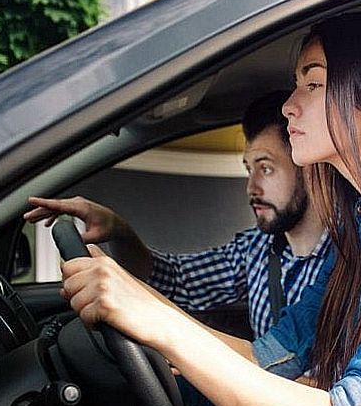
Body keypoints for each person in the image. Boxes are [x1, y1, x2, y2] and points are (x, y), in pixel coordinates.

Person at [56, 12, 361, 406]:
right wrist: (138, 304)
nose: (290, 106)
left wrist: (159, 324)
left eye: (312, 84)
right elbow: (269, 355)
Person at [24, 90, 331, 340]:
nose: (251, 187)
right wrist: (119, 230)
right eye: (248, 170)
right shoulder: (257, 249)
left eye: (266, 168)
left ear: (309, 169)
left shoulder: (350, 259)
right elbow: (176, 281)